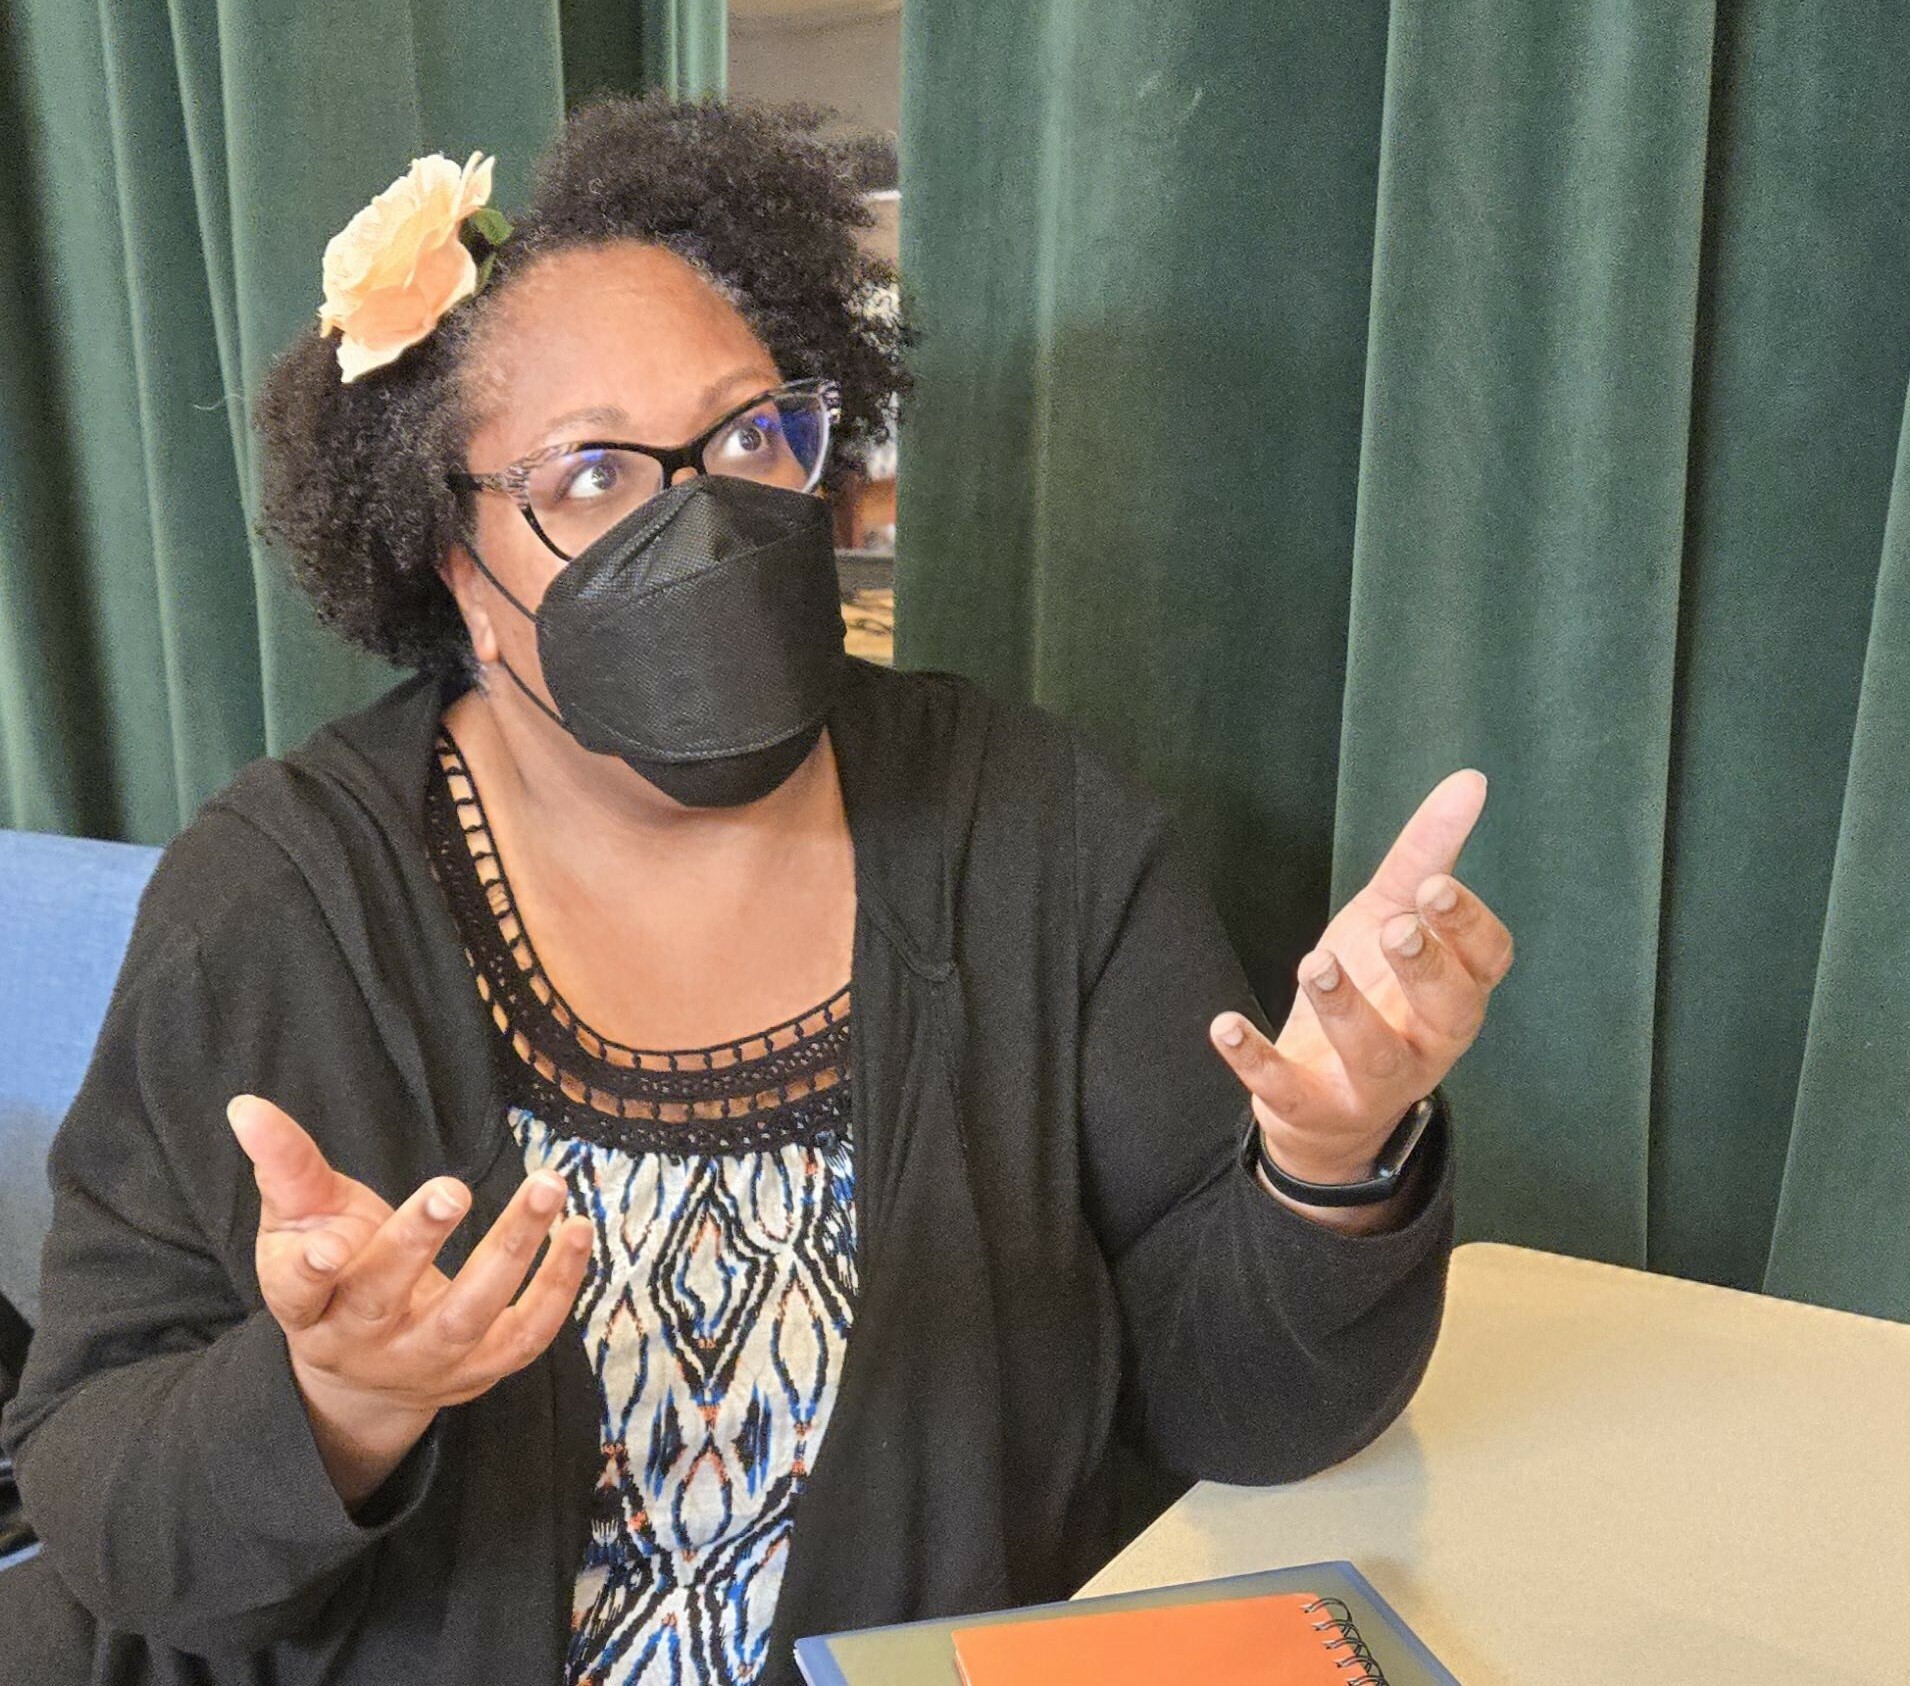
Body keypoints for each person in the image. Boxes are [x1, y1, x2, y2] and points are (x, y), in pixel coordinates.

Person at [0, 95, 1512, 1686]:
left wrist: (1328, 1168)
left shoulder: (1029, 822)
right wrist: (340, 1399)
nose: (703, 514)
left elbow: (1244, 1413)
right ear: (454, 563)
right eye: (591, 471)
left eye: (750, 435)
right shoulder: (280, 893)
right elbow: (106, 1505)